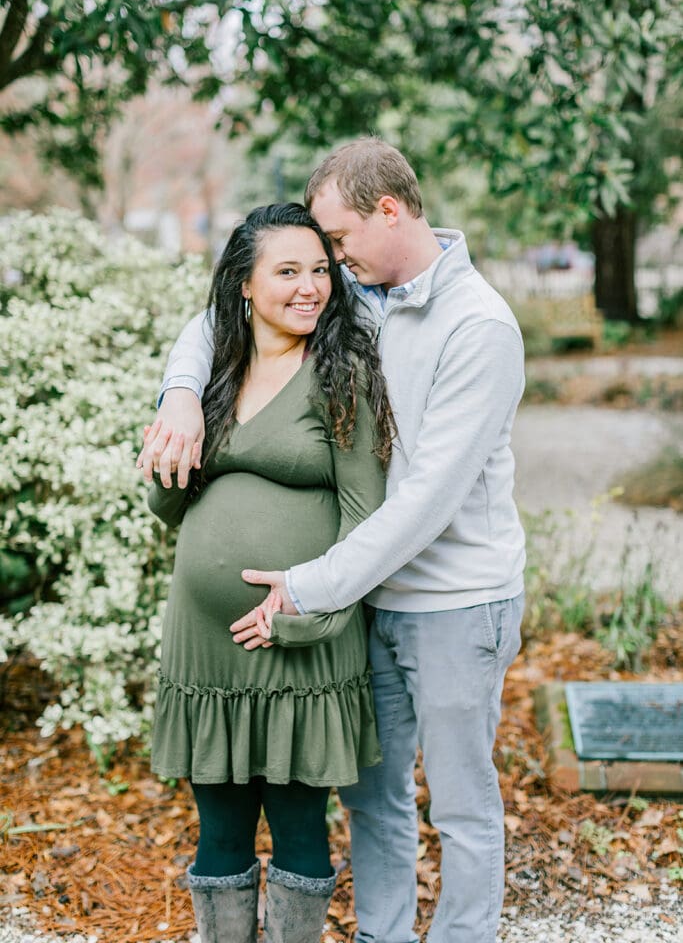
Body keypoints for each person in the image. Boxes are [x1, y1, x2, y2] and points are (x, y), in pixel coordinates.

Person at [141, 139, 526, 943]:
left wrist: (309, 592)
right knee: (372, 798)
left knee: (459, 802)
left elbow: (419, 501)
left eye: (336, 245)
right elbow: (225, 313)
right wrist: (181, 393)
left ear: (388, 211)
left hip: (453, 597)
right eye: (314, 259)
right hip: (370, 598)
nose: (326, 269)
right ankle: (380, 936)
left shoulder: (477, 325)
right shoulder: (365, 294)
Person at [145, 202, 394, 943]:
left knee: (297, 826)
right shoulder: (210, 372)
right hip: (208, 643)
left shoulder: (343, 373)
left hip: (300, 642)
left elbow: (366, 518)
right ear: (244, 285)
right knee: (217, 828)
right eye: (287, 271)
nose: (310, 286)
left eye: (319, 269)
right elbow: (167, 506)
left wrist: (305, 615)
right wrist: (170, 435)